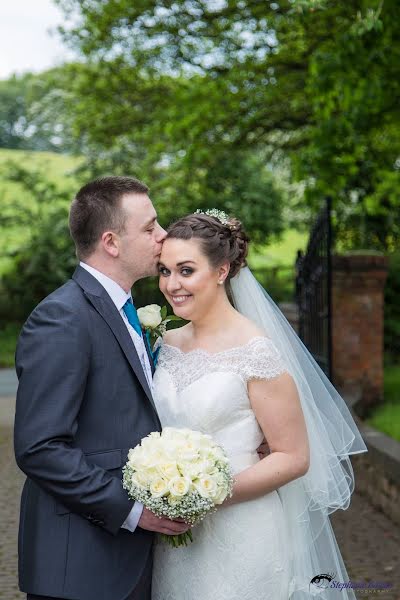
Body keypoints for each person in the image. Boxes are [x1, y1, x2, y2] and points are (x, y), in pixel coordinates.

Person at [151, 211, 368, 600]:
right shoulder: (163, 342)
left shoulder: (257, 352)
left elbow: (293, 456)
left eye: (186, 270)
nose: (171, 284)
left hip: (242, 532)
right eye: (164, 271)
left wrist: (204, 495)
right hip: (172, 538)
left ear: (221, 270)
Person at [14, 176, 191, 600]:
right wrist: (133, 511)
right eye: (150, 228)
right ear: (111, 243)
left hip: (130, 560)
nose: (163, 236)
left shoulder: (128, 312)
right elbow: (40, 447)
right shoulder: (63, 317)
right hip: (81, 566)